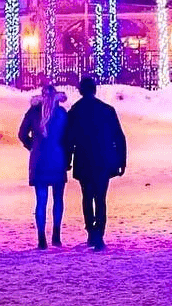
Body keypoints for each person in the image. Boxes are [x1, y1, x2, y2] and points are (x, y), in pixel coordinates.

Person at [65, 76, 127, 251]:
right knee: (100, 198)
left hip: (84, 159)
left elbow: (69, 139)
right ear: (95, 89)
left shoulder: (75, 111)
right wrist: (121, 160)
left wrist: (68, 160)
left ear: (80, 90)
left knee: (87, 197)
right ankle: (99, 234)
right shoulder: (107, 110)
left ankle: (91, 233)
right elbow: (119, 137)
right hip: (103, 160)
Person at [18, 84, 69, 249]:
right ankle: (56, 236)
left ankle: (41, 238)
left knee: (41, 200)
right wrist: (66, 155)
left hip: (39, 159)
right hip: (57, 158)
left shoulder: (33, 112)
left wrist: (32, 146)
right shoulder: (61, 113)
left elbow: (22, 134)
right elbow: (68, 137)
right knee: (58, 199)